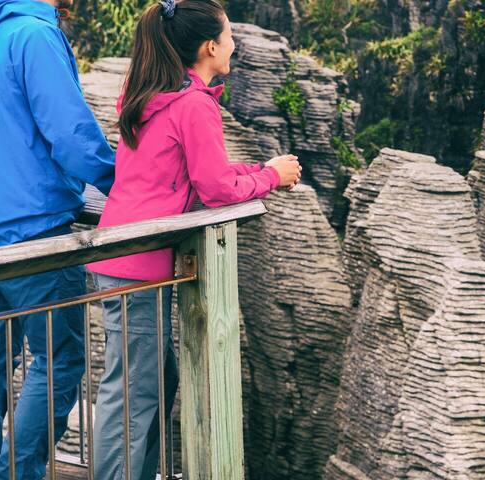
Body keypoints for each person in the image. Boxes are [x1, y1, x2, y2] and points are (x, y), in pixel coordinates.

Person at [85, 0, 301, 478]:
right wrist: (268, 178)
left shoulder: (151, 92)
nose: (234, 44)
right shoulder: (195, 104)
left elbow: (202, 172)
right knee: (134, 394)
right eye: (228, 37)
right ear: (209, 47)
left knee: (151, 382)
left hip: (121, 254)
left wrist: (264, 171)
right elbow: (218, 189)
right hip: (139, 264)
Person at [0, 0, 114, 478]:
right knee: (59, 362)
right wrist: (121, 182)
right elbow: (72, 135)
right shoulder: (34, 35)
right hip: (36, 232)